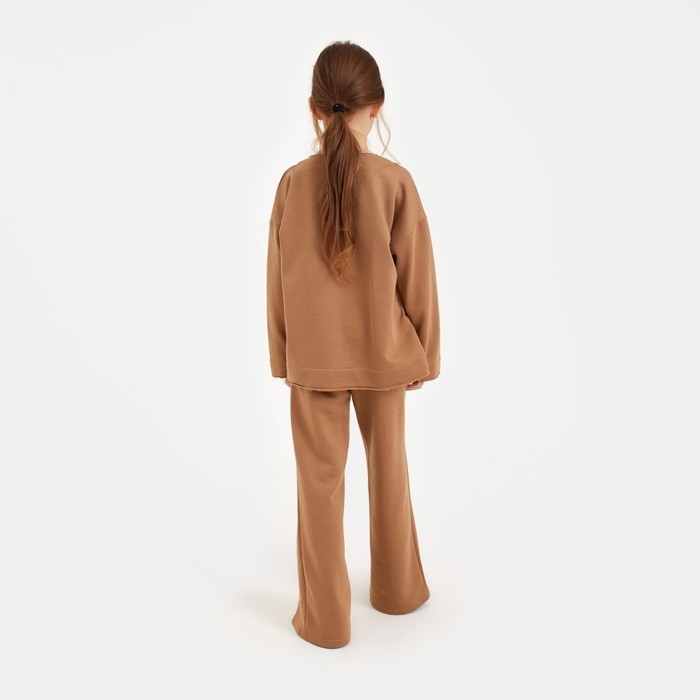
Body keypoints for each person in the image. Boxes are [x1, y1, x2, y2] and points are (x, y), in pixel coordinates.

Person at [266, 40, 440, 649]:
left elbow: (277, 280)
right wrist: (425, 356)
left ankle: (325, 623)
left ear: (314, 108)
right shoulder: (395, 182)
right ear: (378, 105)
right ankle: (398, 592)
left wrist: (284, 357)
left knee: (318, 485)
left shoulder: (292, 184)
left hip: (313, 358)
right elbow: (418, 276)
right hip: (387, 355)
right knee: (389, 472)